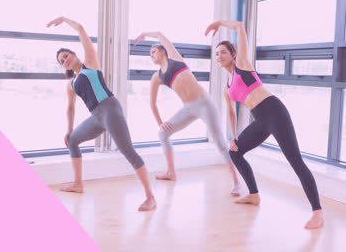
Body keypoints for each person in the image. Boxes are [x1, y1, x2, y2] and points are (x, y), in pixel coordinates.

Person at [205, 20, 323, 229]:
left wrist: (220, 23)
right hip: (260, 119)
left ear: (233, 54)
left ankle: (317, 212)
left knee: (295, 161)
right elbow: (231, 113)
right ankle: (253, 194)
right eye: (217, 54)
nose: (219, 56)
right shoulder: (227, 86)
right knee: (235, 151)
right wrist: (233, 137)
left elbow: (240, 26)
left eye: (223, 52)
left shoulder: (242, 64)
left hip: (275, 112)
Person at [47, 16, 156, 211]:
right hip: (96, 116)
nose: (65, 60)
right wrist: (69, 129)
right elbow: (70, 108)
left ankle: (150, 197)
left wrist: (64, 20)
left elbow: (81, 29)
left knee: (128, 151)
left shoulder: (90, 63)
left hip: (110, 109)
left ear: (74, 53)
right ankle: (78, 184)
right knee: (72, 140)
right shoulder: (71, 84)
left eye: (66, 56)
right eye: (62, 61)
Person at [134, 31, 240, 196]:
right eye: (150, 54)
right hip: (188, 108)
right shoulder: (157, 77)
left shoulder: (175, 59)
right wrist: (159, 122)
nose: (151, 55)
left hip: (205, 104)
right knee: (162, 133)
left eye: (153, 51)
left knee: (220, 143)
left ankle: (236, 183)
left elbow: (161, 35)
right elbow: (152, 103)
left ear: (163, 51)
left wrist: (146, 34)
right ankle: (171, 172)